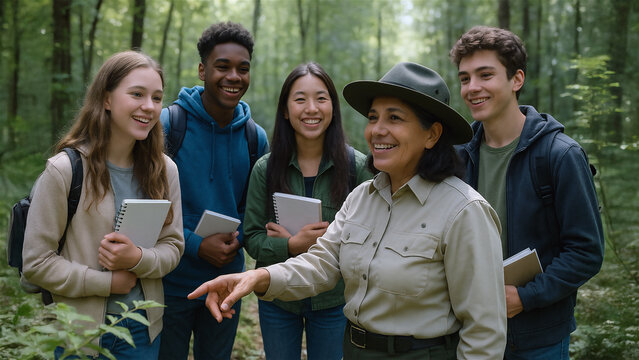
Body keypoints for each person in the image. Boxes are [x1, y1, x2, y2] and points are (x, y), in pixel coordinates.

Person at [189, 62, 507, 359]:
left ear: (432, 134)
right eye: (373, 117)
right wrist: (255, 277)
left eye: (394, 118)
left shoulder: (464, 211)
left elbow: (484, 332)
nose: (377, 130)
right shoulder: (362, 198)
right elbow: (321, 264)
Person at [450, 25, 605, 359]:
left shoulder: (560, 155)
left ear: (516, 79)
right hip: (471, 331)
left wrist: (525, 297)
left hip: (538, 339)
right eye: (465, 78)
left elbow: (586, 252)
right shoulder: (460, 156)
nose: (472, 88)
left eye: (485, 75)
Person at [21, 50, 184, 359]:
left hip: (141, 329)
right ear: (106, 99)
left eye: (157, 97)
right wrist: (107, 283)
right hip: (76, 332)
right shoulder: (64, 170)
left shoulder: (165, 170)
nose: (149, 107)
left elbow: (173, 247)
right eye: (137, 94)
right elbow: (36, 263)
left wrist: (136, 258)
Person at [243, 62, 372, 360]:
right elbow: (251, 237)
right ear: (286, 110)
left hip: (334, 302)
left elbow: (370, 239)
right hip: (278, 299)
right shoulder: (265, 168)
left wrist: (327, 242)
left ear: (333, 108)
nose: (311, 108)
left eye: (321, 98)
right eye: (300, 99)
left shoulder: (359, 167)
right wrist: (290, 245)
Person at [158, 21, 269, 360]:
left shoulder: (255, 138)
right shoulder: (168, 125)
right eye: (223, 66)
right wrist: (195, 244)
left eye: (243, 68)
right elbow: (145, 203)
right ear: (203, 70)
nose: (233, 76)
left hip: (226, 282)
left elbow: (253, 212)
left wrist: (243, 240)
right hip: (168, 280)